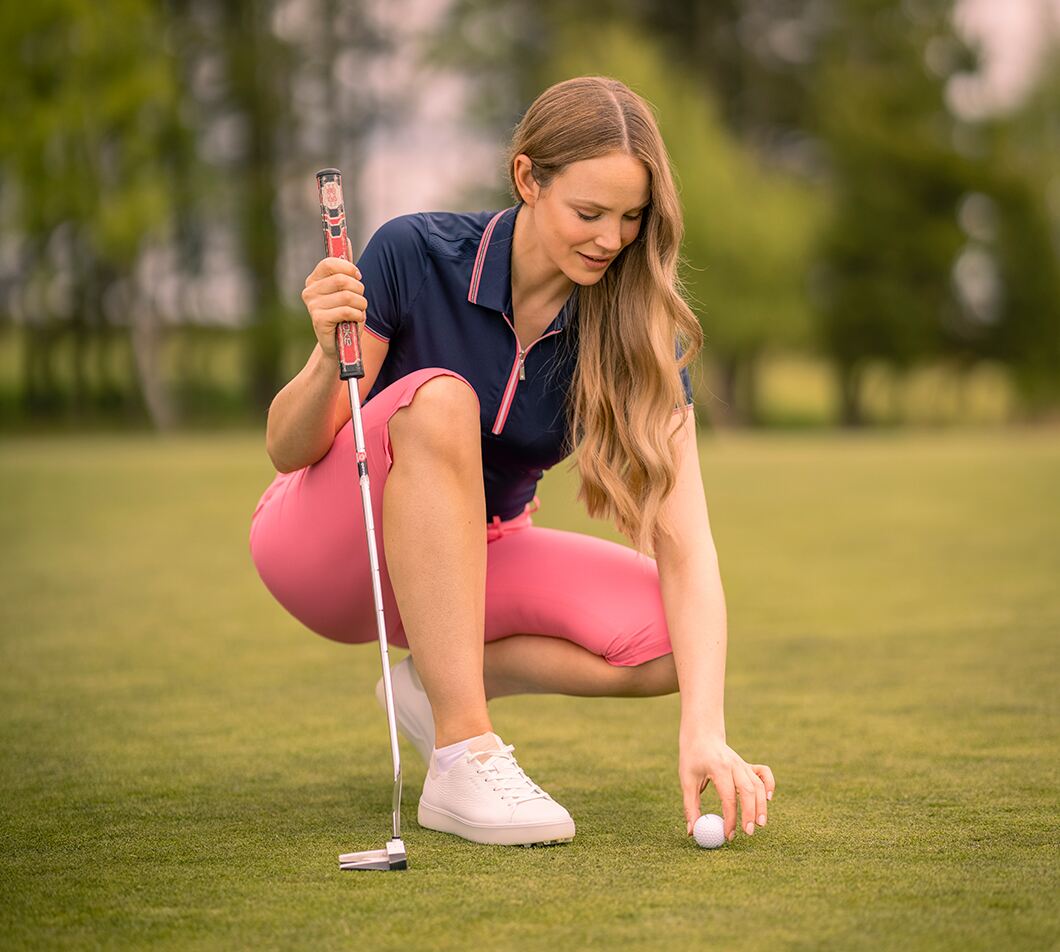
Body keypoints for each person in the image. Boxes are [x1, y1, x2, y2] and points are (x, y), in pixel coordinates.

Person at [249, 75, 775, 849]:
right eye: (589, 213)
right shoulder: (414, 253)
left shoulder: (635, 331)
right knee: (442, 398)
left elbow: (686, 546)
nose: (610, 239)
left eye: (630, 219)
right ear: (528, 178)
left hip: (481, 557)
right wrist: (330, 357)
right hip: (329, 544)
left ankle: (434, 686)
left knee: (680, 644)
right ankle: (463, 750)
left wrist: (705, 730)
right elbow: (290, 448)